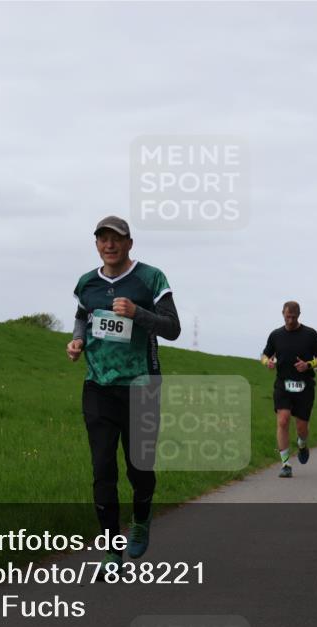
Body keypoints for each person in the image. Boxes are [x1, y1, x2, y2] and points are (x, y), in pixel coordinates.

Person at [67, 216, 181, 569]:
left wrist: (138, 312)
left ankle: (142, 518)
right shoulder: (87, 283)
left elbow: (173, 329)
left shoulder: (150, 278)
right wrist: (77, 340)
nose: (109, 245)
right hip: (98, 386)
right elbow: (82, 316)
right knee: (102, 469)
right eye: (102, 239)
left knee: (138, 468)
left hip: (141, 385)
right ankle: (111, 550)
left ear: (129, 243)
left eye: (116, 239)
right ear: (97, 244)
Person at [261, 301, 317, 478]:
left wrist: (308, 364)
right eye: (287, 316)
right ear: (282, 313)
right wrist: (268, 362)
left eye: (294, 317)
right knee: (283, 420)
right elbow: (264, 355)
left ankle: (302, 444)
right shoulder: (276, 335)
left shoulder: (310, 334)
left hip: (305, 386)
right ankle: (285, 464)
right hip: (283, 384)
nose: (290, 320)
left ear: (299, 315)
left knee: (301, 428)